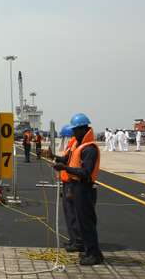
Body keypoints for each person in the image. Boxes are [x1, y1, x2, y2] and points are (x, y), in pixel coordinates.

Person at [52, 113, 103, 265]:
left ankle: (94, 254)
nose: (73, 133)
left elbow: (85, 172)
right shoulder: (79, 146)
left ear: (83, 129)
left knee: (86, 223)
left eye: (75, 129)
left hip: (84, 188)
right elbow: (70, 161)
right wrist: (58, 160)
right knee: (81, 222)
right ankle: (88, 251)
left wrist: (65, 168)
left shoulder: (90, 149)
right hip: (77, 187)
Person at [53, 124, 83, 254]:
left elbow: (74, 166)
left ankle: (78, 242)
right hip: (67, 182)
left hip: (72, 183)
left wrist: (63, 167)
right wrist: (53, 156)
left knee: (74, 215)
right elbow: (65, 159)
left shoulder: (77, 146)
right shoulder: (72, 146)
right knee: (69, 214)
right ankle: (73, 239)